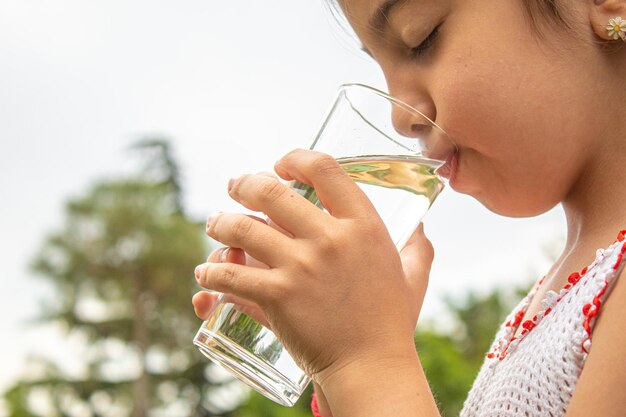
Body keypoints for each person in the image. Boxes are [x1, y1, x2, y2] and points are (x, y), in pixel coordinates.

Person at [192, 0, 626, 415]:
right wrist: (333, 348)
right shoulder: (552, 295)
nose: (400, 118)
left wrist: (367, 357)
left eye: (422, 38)